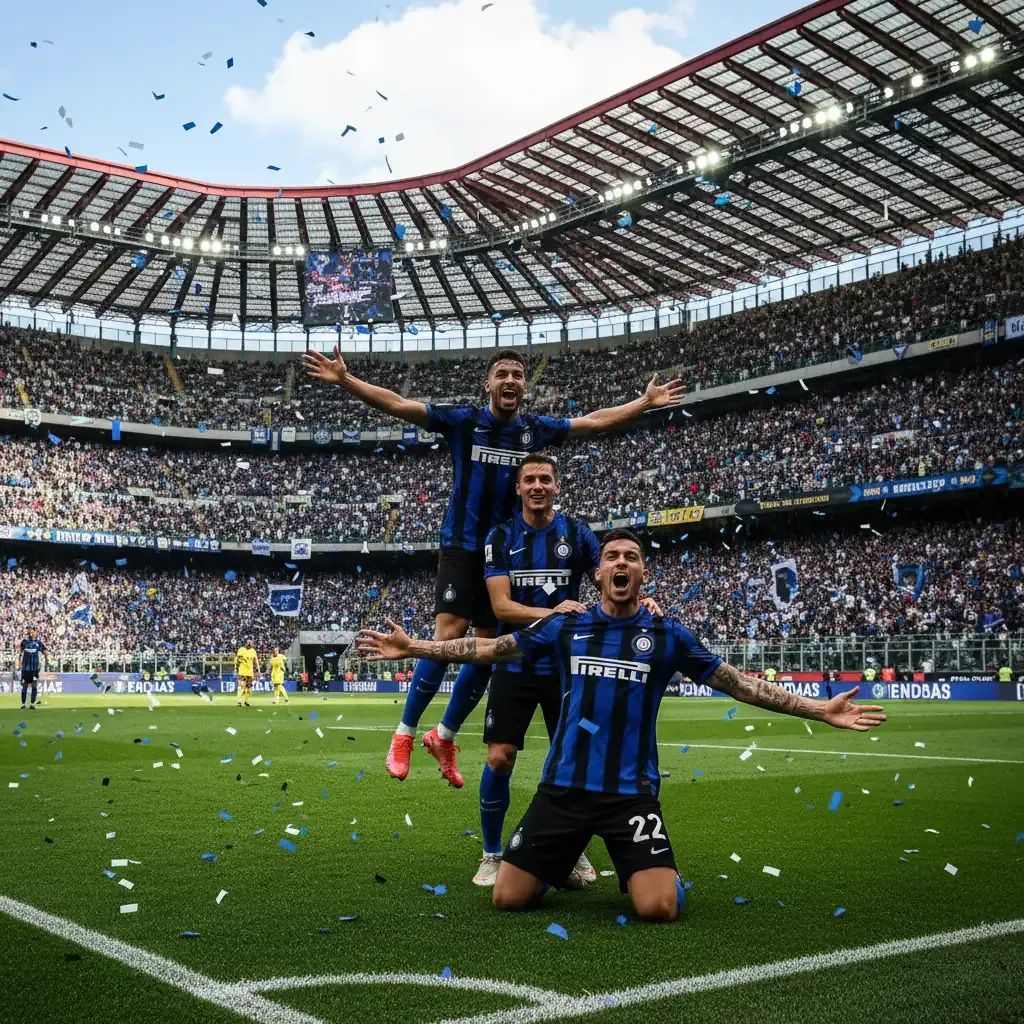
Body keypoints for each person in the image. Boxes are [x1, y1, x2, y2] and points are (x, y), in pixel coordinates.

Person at [357, 528, 887, 919]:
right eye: (611, 555)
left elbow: (735, 683)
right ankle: (559, 855)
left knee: (658, 909)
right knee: (508, 899)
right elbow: (494, 648)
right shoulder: (568, 625)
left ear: (641, 574)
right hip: (562, 791)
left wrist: (819, 708)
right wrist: (417, 646)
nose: (621, 563)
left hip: (630, 796)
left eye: (631, 557)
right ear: (598, 573)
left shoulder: (666, 636)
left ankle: (653, 868)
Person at [303, 344, 684, 787]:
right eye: (501, 373)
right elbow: (399, 404)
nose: (509, 380)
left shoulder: (535, 431)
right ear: (489, 383)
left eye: (517, 375)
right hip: (463, 546)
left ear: (525, 385)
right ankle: (404, 733)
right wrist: (347, 381)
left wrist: (644, 402)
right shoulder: (465, 422)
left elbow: (594, 421)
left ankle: (444, 735)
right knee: (448, 634)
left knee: (488, 650)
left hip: (503, 553)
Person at [474, 454, 602, 888]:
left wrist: (645, 601)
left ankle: (571, 851)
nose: (537, 486)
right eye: (529, 479)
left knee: (569, 761)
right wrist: (551, 613)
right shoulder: (500, 537)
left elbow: (609, 578)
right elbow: (500, 607)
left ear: (556, 486)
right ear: (518, 488)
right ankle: (492, 854)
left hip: (568, 663)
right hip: (515, 659)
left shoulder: (579, 534)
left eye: (545, 479)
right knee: (499, 756)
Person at [17, 627, 46, 710]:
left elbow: (44, 650)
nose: (30, 634)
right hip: (25, 668)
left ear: (35, 632)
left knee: (34, 686)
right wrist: (19, 664)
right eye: (29, 632)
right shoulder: (24, 642)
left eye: (32, 632)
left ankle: (32, 704)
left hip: (34, 669)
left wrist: (46, 657)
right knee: (24, 686)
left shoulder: (38, 642)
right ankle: (23, 704)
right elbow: (20, 653)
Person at [234, 639, 259, 707]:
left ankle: (246, 701)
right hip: (242, 672)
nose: (249, 644)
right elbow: (237, 659)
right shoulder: (241, 650)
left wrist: (257, 671)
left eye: (250, 643)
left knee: (249, 688)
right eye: (248, 643)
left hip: (250, 673)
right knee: (241, 686)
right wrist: (236, 668)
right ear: (245, 643)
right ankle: (239, 701)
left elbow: (255, 661)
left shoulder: (253, 651)